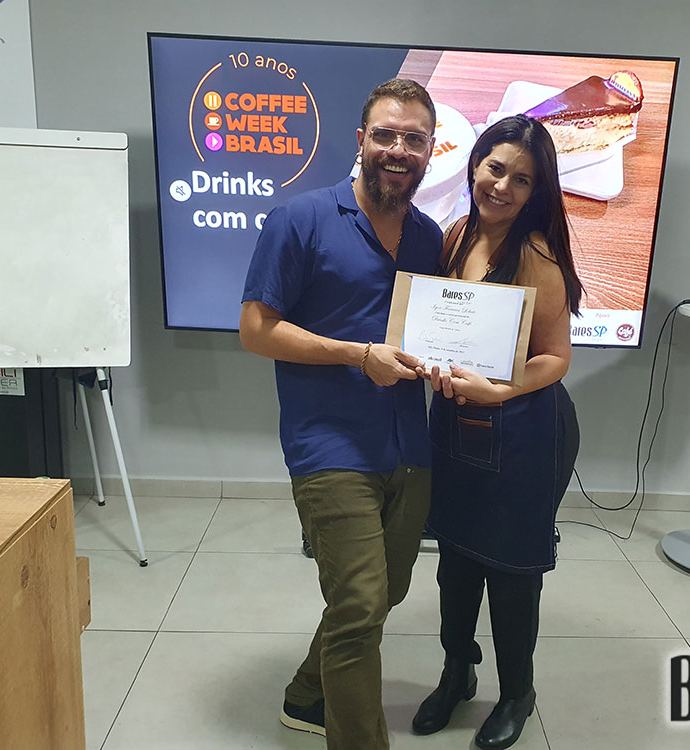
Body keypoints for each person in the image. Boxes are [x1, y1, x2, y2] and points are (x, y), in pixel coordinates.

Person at [239, 79, 442, 750]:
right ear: (361, 141)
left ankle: (306, 693)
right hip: (328, 444)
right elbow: (256, 330)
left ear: (431, 150)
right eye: (385, 135)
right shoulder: (299, 218)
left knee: (384, 593)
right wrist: (357, 355)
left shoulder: (428, 237)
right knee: (358, 604)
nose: (398, 149)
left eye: (414, 139)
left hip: (408, 444)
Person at [411, 115, 582, 750]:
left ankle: (517, 693)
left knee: (512, 570)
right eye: (496, 168)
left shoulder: (536, 254)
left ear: (538, 191)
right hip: (456, 423)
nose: (503, 186)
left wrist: (500, 390)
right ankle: (457, 672)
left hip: (524, 429)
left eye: (523, 179)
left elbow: (556, 358)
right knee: (455, 560)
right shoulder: (457, 235)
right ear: (475, 164)